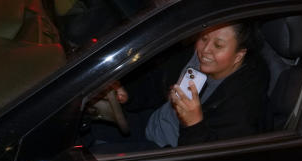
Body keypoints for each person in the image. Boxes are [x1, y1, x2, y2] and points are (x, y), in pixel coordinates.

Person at [95, 22, 268, 150]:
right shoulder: (193, 56)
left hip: (172, 150)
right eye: (204, 38)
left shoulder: (244, 101)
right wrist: (128, 92)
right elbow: (156, 81)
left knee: (98, 157)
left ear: (239, 55)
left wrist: (194, 123)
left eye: (218, 45)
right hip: (150, 122)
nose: (205, 50)